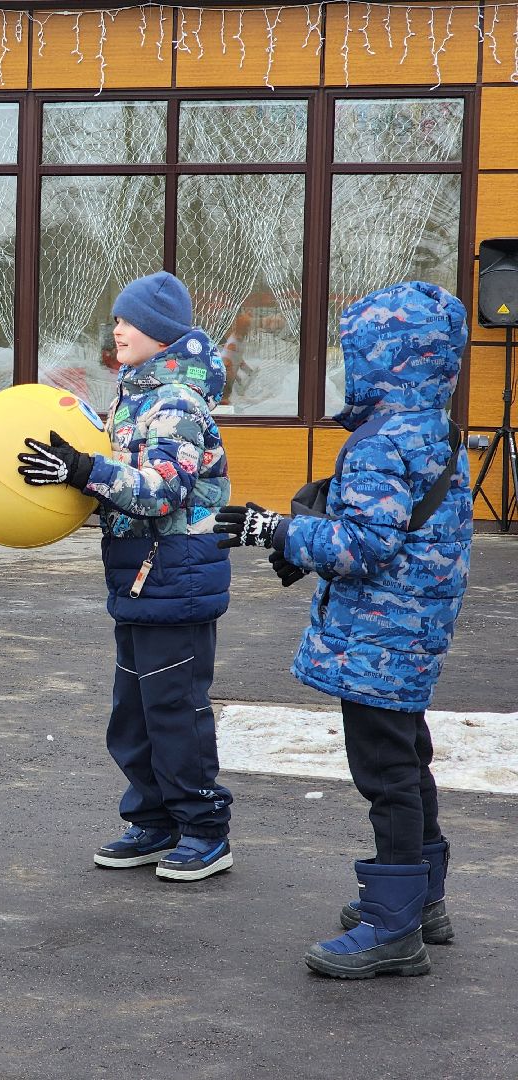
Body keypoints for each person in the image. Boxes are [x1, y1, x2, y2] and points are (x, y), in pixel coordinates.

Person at [215, 280, 471, 979]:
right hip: (414, 632)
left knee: (385, 774)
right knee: (408, 761)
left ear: (384, 359)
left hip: (377, 639)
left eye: (354, 354)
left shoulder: (378, 443)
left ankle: (394, 929)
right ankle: (422, 902)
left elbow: (362, 546)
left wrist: (273, 528)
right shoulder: (437, 431)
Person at [17, 271, 234, 882]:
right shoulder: (133, 399)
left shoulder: (176, 404)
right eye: (115, 319)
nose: (116, 329)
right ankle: (155, 819)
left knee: (175, 712)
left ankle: (204, 829)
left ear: (161, 335)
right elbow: (116, 479)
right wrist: (74, 471)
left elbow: (163, 491)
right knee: (134, 713)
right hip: (138, 579)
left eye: (128, 321)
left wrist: (86, 469)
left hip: (178, 578)